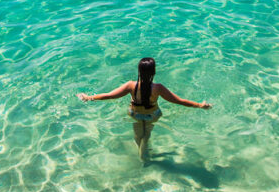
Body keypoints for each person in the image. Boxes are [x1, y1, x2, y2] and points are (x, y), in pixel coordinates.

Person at [77, 57, 211, 160]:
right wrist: (200, 105)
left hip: (135, 114)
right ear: (154, 72)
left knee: (137, 134)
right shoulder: (158, 88)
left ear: (139, 71)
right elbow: (179, 101)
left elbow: (109, 96)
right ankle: (145, 148)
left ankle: (140, 150)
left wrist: (88, 97)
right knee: (147, 133)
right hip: (152, 115)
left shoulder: (131, 85)